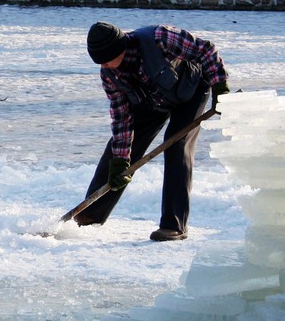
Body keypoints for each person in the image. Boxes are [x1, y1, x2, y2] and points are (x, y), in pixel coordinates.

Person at [74, 21, 230, 241]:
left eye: (108, 60)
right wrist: (121, 159)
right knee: (116, 156)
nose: (106, 66)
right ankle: (90, 215)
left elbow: (205, 49)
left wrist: (220, 86)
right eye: (101, 63)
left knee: (177, 144)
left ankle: (173, 225)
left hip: (191, 90)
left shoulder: (159, 38)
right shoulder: (109, 74)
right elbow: (121, 118)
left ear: (121, 48)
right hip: (152, 101)